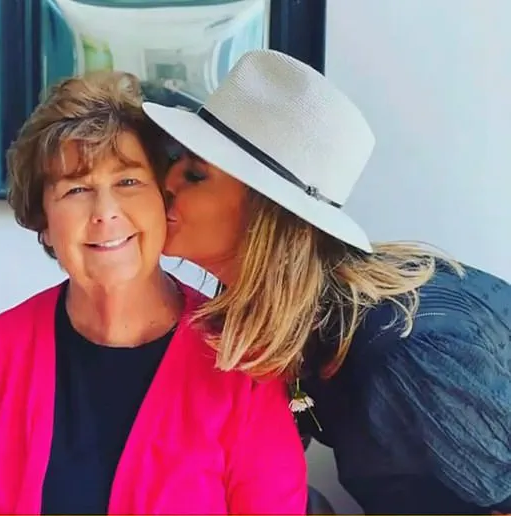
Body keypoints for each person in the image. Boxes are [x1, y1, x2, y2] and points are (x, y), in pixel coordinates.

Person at [0, 71, 308, 514]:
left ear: (164, 199)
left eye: (128, 182)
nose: (105, 213)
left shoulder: (242, 365)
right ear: (44, 221)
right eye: (76, 189)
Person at [142, 49, 511, 515]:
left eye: (195, 174)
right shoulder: (276, 316)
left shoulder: (403, 351)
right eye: (174, 160)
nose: (167, 182)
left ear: (266, 215)